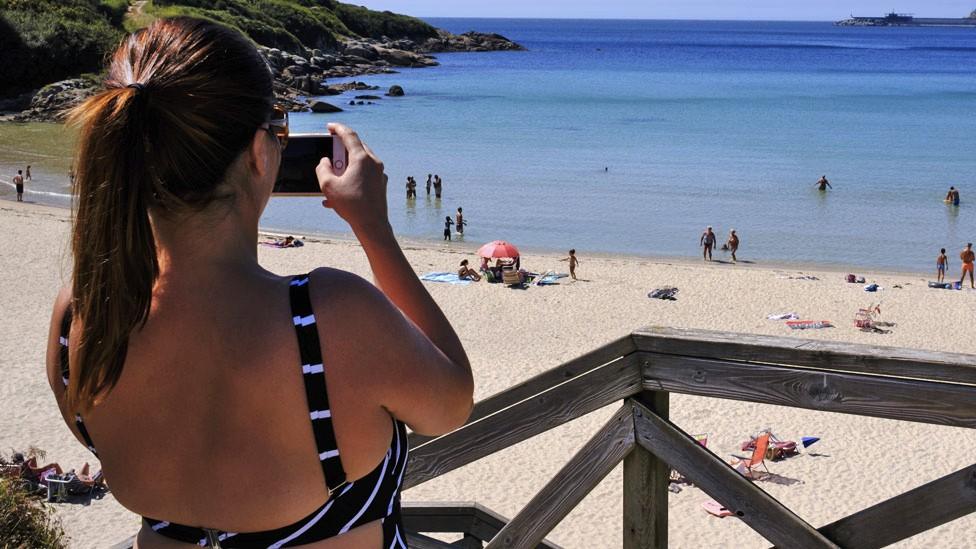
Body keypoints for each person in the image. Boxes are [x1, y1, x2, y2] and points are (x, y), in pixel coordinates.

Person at [47, 18, 472, 548]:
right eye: (278, 125)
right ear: (256, 152)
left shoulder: (80, 317)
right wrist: (373, 228)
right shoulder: (329, 319)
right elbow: (452, 403)